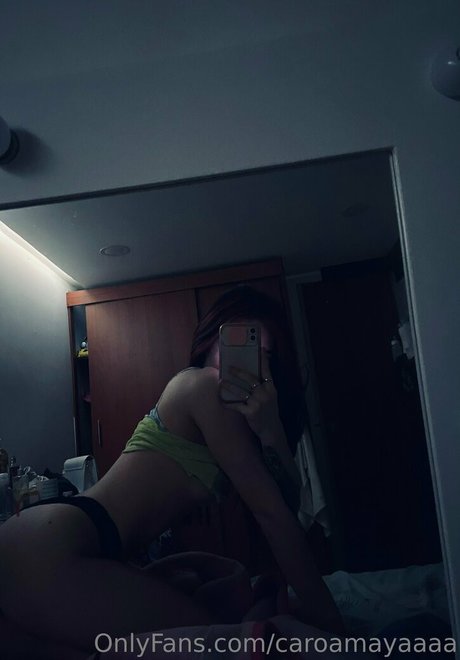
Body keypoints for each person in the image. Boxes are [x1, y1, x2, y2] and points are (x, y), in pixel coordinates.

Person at [0, 285, 342, 655]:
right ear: (210, 340)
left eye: (262, 355)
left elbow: (286, 506)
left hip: (63, 543)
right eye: (235, 344)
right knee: (216, 644)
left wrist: (271, 429)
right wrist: (330, 622)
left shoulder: (236, 421)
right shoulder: (203, 385)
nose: (245, 363)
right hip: (51, 544)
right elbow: (272, 515)